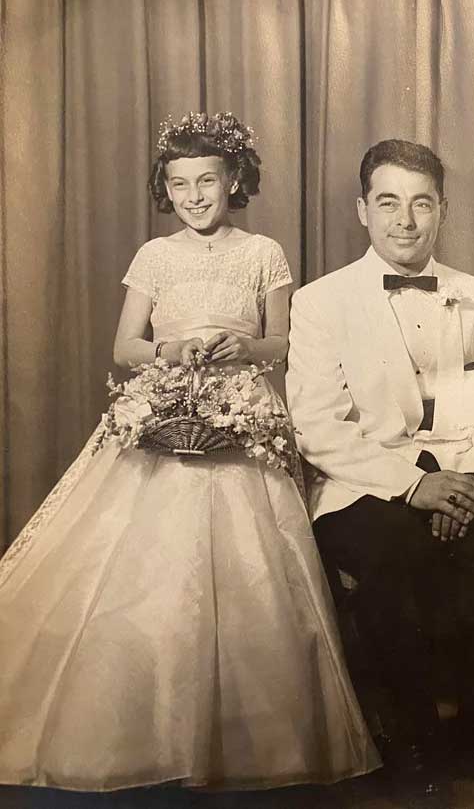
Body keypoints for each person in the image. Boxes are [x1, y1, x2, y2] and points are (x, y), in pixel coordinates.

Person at [0, 112, 378, 790]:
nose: (194, 195)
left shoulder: (263, 253)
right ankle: (140, 726)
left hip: (242, 407)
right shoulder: (155, 256)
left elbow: (284, 340)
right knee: (144, 559)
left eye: (207, 180)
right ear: (165, 187)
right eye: (179, 184)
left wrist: (247, 346)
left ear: (233, 179)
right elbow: (125, 347)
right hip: (165, 401)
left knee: (251, 562)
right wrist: (169, 350)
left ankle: (248, 742)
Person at [287, 139, 474, 808]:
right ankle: (415, 745)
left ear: (442, 211)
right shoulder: (320, 302)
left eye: (421, 204)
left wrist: (473, 482)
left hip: (473, 474)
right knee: (392, 554)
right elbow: (317, 425)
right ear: (363, 210)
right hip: (367, 482)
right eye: (388, 203)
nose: (405, 220)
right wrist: (414, 486)